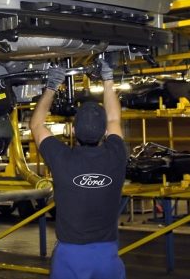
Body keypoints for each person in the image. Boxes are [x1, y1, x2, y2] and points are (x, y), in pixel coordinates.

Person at [30, 57, 127, 279]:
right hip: (107, 255)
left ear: (72, 131)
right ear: (105, 132)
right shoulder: (116, 155)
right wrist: (108, 79)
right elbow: (114, 119)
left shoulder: (62, 158)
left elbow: (36, 125)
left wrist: (51, 86)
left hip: (70, 256)